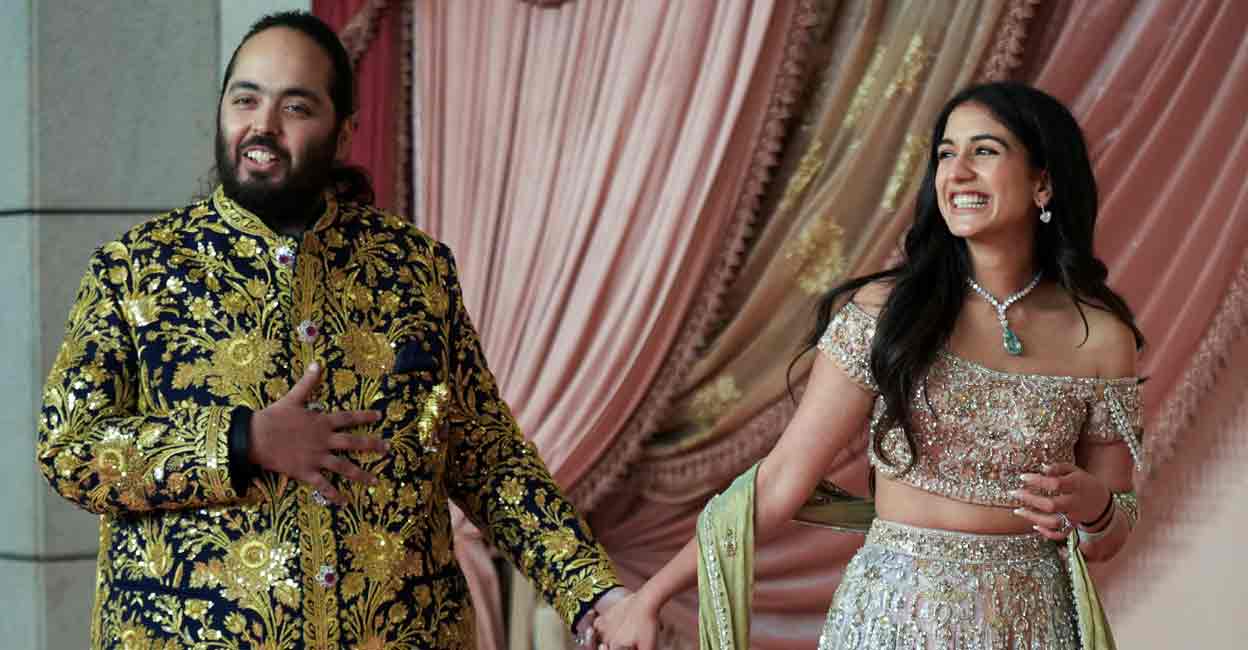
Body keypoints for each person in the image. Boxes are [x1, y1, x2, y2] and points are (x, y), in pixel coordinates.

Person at [37, 11, 624, 649]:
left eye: (295, 107)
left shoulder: (412, 268)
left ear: (343, 135)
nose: (262, 126)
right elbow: (69, 449)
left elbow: (487, 456)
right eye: (245, 100)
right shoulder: (137, 268)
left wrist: (594, 594)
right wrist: (241, 440)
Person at [595, 82, 1146, 650]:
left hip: (1033, 627)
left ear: (1042, 182)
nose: (957, 172)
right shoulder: (890, 314)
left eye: (984, 151)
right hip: (892, 619)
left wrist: (1096, 508)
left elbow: (1113, 523)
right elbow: (781, 480)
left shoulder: (1101, 339)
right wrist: (648, 598)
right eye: (946, 154)